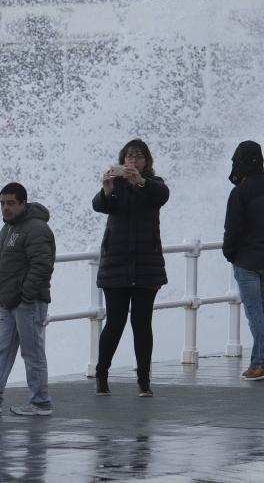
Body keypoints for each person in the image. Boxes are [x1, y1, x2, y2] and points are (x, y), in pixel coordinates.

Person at [0, 182, 56, 416]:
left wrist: (26, 295)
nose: (6, 208)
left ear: (23, 203)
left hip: (28, 303)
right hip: (8, 302)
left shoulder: (36, 228)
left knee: (32, 352)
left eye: (11, 203)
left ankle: (41, 402)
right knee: (2, 351)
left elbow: (42, 265)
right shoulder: (8, 228)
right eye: (3, 203)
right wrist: (0, 293)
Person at [93, 139, 169, 397]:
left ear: (147, 162)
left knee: (142, 323)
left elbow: (161, 196)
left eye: (138, 157)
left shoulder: (154, 185)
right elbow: (99, 206)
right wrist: (106, 190)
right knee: (115, 322)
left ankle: (144, 380)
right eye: (128, 157)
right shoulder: (116, 186)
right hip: (115, 265)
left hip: (147, 266)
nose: (132, 161)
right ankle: (102, 375)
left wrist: (140, 182)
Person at [222, 141, 264, 382]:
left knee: (254, 312)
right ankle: (257, 362)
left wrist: (230, 254)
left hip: (247, 261)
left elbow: (232, 228)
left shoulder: (240, 192)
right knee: (261, 310)